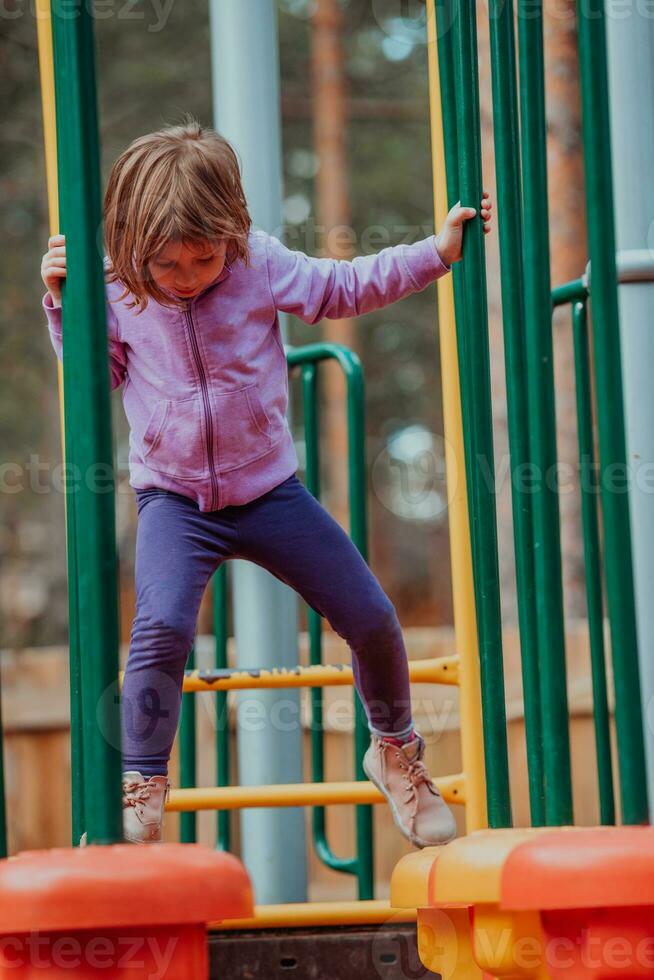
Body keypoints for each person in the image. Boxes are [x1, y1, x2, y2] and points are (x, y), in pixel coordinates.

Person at [41, 119, 492, 848]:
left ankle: (396, 753)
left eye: (204, 257)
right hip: (174, 500)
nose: (187, 276)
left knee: (373, 617)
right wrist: (68, 307)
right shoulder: (116, 287)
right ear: (130, 247)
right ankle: (142, 784)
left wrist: (436, 254)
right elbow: (102, 377)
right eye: (168, 263)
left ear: (232, 231)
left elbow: (343, 286)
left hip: (271, 493)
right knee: (160, 629)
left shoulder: (258, 264)